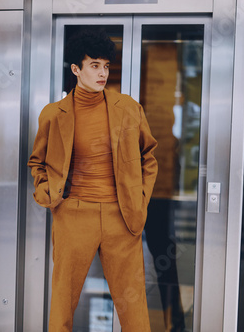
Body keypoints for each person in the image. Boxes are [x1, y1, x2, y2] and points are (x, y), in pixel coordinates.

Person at [28, 30, 158, 332]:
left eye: (106, 67)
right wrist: (47, 193)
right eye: (95, 66)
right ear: (76, 69)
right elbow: (37, 161)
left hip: (121, 215)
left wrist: (139, 198)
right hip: (73, 215)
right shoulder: (53, 114)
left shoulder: (127, 108)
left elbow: (148, 157)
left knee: (133, 303)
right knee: (63, 301)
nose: (102, 73)